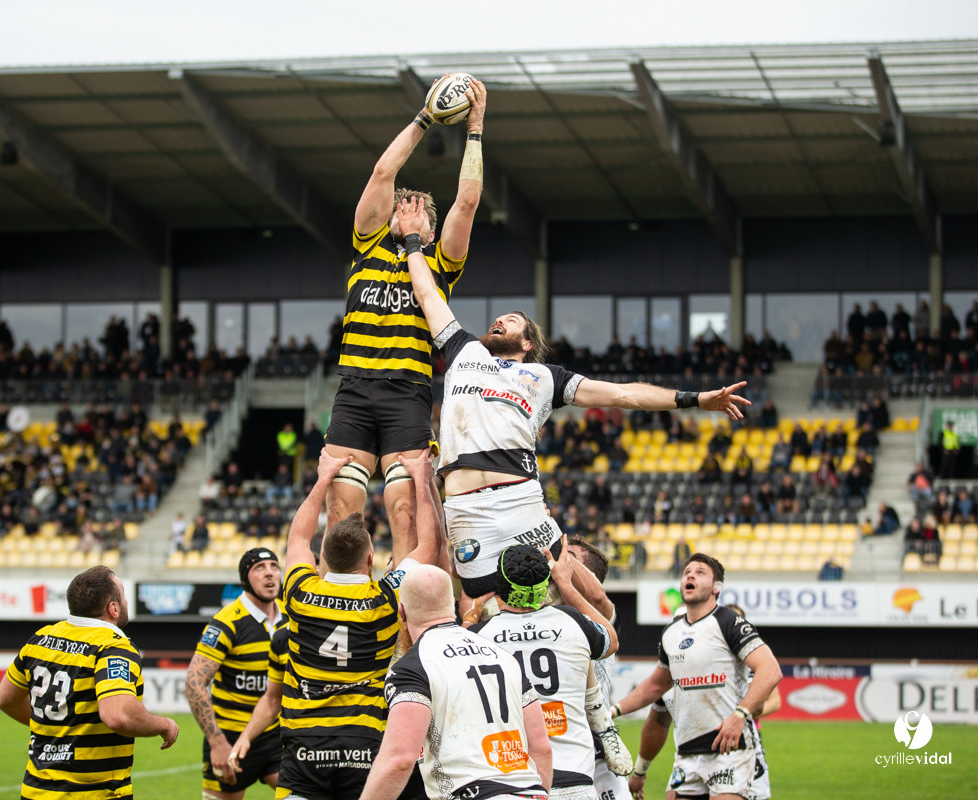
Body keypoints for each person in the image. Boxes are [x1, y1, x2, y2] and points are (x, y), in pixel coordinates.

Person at [397, 197, 749, 604]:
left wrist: (694, 399)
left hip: (518, 497)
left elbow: (625, 394)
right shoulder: (463, 351)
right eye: (500, 317)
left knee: (566, 591)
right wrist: (411, 241)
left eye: (513, 319)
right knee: (479, 604)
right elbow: (427, 294)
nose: (501, 320)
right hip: (463, 507)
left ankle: (604, 646)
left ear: (527, 342)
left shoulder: (546, 378)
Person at [322, 78, 487, 565]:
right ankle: (339, 600)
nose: (408, 215)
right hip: (354, 388)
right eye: (403, 209)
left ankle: (404, 620)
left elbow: (469, 201)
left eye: (419, 214)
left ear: (432, 230)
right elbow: (381, 171)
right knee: (340, 508)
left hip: (406, 393)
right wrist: (424, 118)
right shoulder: (367, 245)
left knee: (404, 509)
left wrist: (474, 129)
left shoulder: (439, 263)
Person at [252, 448, 444, 800]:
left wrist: (324, 476)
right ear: (371, 560)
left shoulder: (299, 593)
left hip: (304, 751)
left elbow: (297, 539)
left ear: (322, 558)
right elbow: (428, 546)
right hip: (364, 747)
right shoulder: (384, 600)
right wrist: (420, 476)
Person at [357, 563, 552, 800]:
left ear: (402, 612)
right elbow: (541, 747)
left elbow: (399, 759)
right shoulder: (502, 655)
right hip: (530, 793)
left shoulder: (411, 667)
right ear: (450, 602)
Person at [0, 566, 178, 799]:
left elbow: (4, 699)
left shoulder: (41, 638)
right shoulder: (114, 648)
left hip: (35, 791)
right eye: (122, 595)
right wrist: (165, 725)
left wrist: (57, 731)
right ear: (113, 608)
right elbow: (118, 715)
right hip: (93, 793)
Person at [610, 554, 782, 800]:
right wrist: (612, 712)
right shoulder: (671, 633)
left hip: (728, 750)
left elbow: (771, 670)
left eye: (700, 572)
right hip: (687, 754)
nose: (690, 575)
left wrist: (740, 715)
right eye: (687, 572)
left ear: (716, 588)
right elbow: (657, 686)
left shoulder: (728, 622)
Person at [471, 545, 622, 800]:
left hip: (513, 781)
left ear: (500, 587)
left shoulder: (479, 638)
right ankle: (603, 724)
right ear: (546, 585)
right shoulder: (573, 621)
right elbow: (611, 640)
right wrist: (565, 583)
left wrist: (471, 615)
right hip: (576, 779)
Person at [185, 548, 286, 800]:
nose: (269, 573)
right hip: (228, 740)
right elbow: (194, 684)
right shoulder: (227, 621)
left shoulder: (290, 617)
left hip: (277, 735)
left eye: (274, 566)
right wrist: (216, 743)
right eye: (259, 568)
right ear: (245, 579)